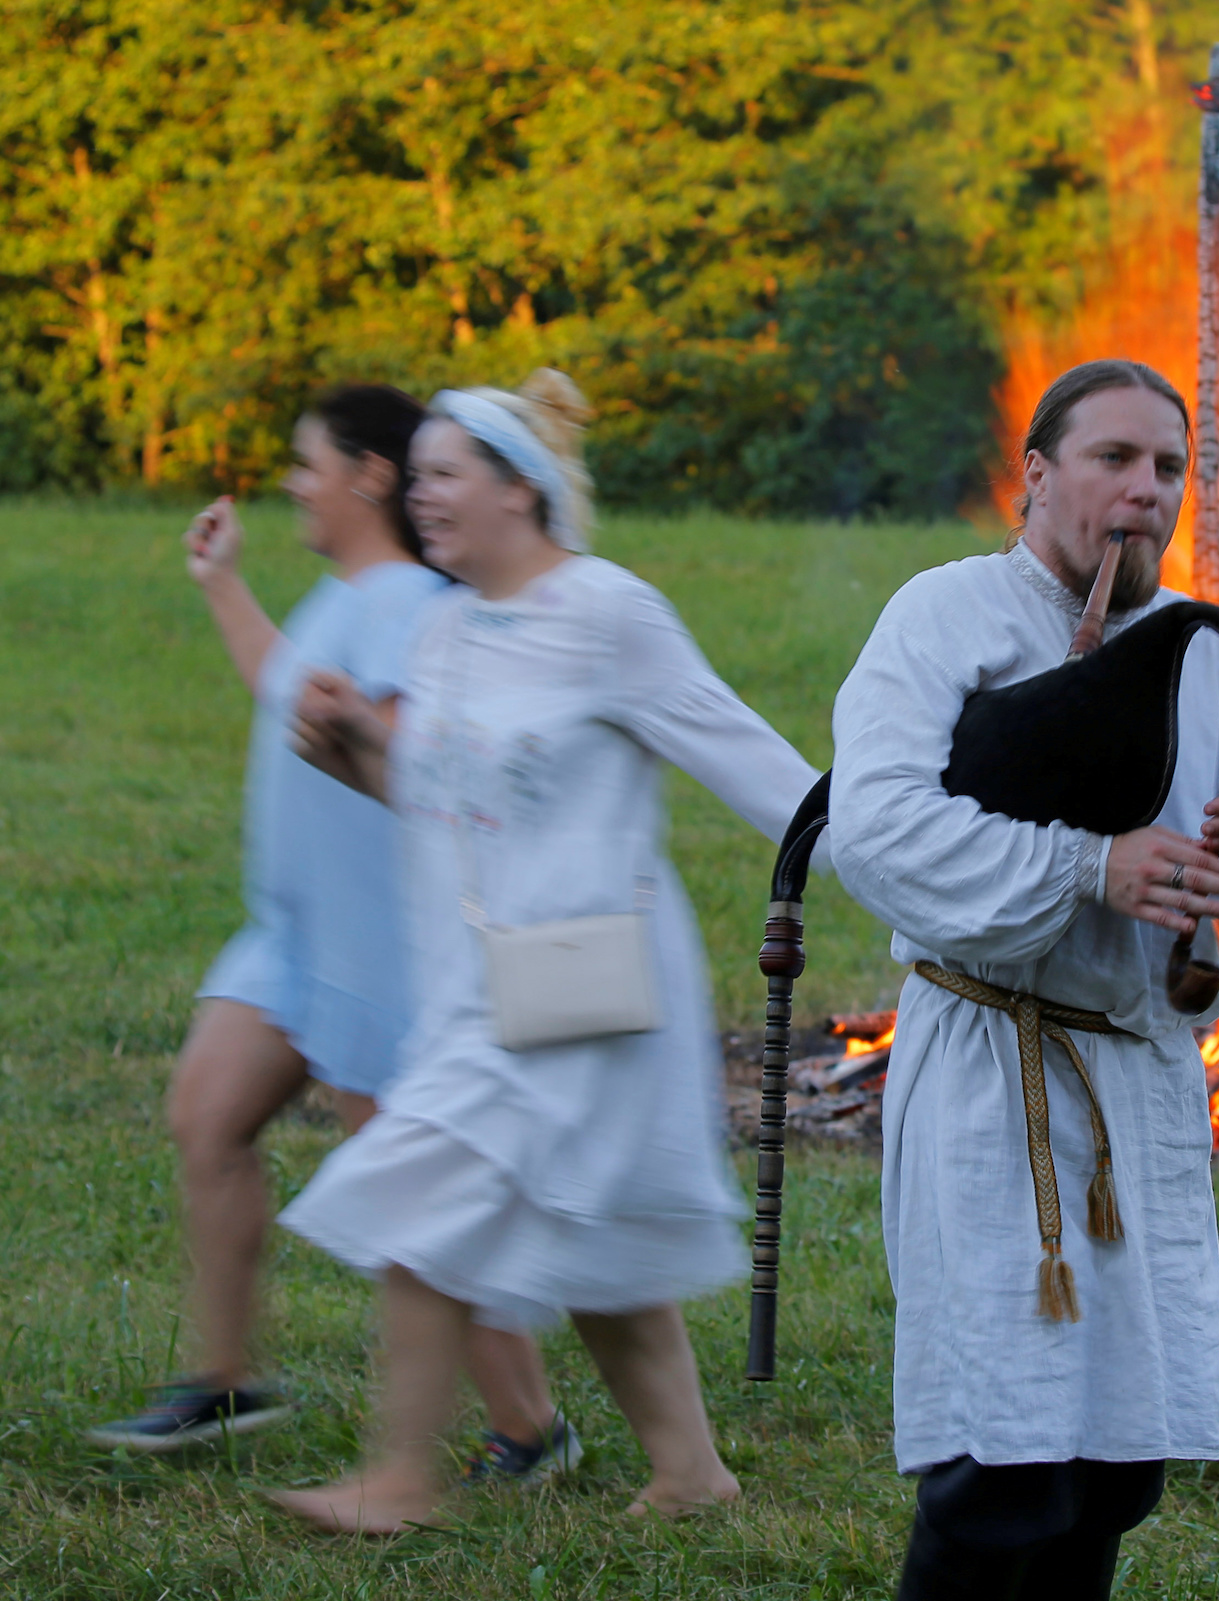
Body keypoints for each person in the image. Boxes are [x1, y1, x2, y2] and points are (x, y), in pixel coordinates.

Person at [824, 358, 1219, 1601]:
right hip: (992, 1074)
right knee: (1002, 1461)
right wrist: (1088, 867)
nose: (1145, 488)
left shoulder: (1213, 658)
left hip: (1135, 1081)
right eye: (1114, 457)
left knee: (1117, 1464)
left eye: (1167, 466)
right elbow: (879, 830)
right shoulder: (948, 616)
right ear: (1036, 473)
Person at [279, 369, 819, 1533]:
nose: (418, 499)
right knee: (597, 1233)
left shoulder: (607, 612)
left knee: (419, 1198)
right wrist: (345, 752)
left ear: (520, 489)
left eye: (441, 476)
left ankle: (399, 1479)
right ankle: (690, 1476)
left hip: (591, 984)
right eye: (412, 478)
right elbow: (438, 806)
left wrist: (927, 866)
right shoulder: (443, 633)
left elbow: (758, 766)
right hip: (483, 983)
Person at [88, 386, 568, 1483]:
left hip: (376, 952)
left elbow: (412, 755)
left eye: (308, 463)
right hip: (291, 938)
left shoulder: (406, 602)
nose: (293, 483)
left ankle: (533, 1428)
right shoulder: (348, 593)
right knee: (206, 1118)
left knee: (412, 1195)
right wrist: (222, 585)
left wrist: (362, 722)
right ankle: (222, 1380)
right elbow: (281, 688)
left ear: (368, 476)